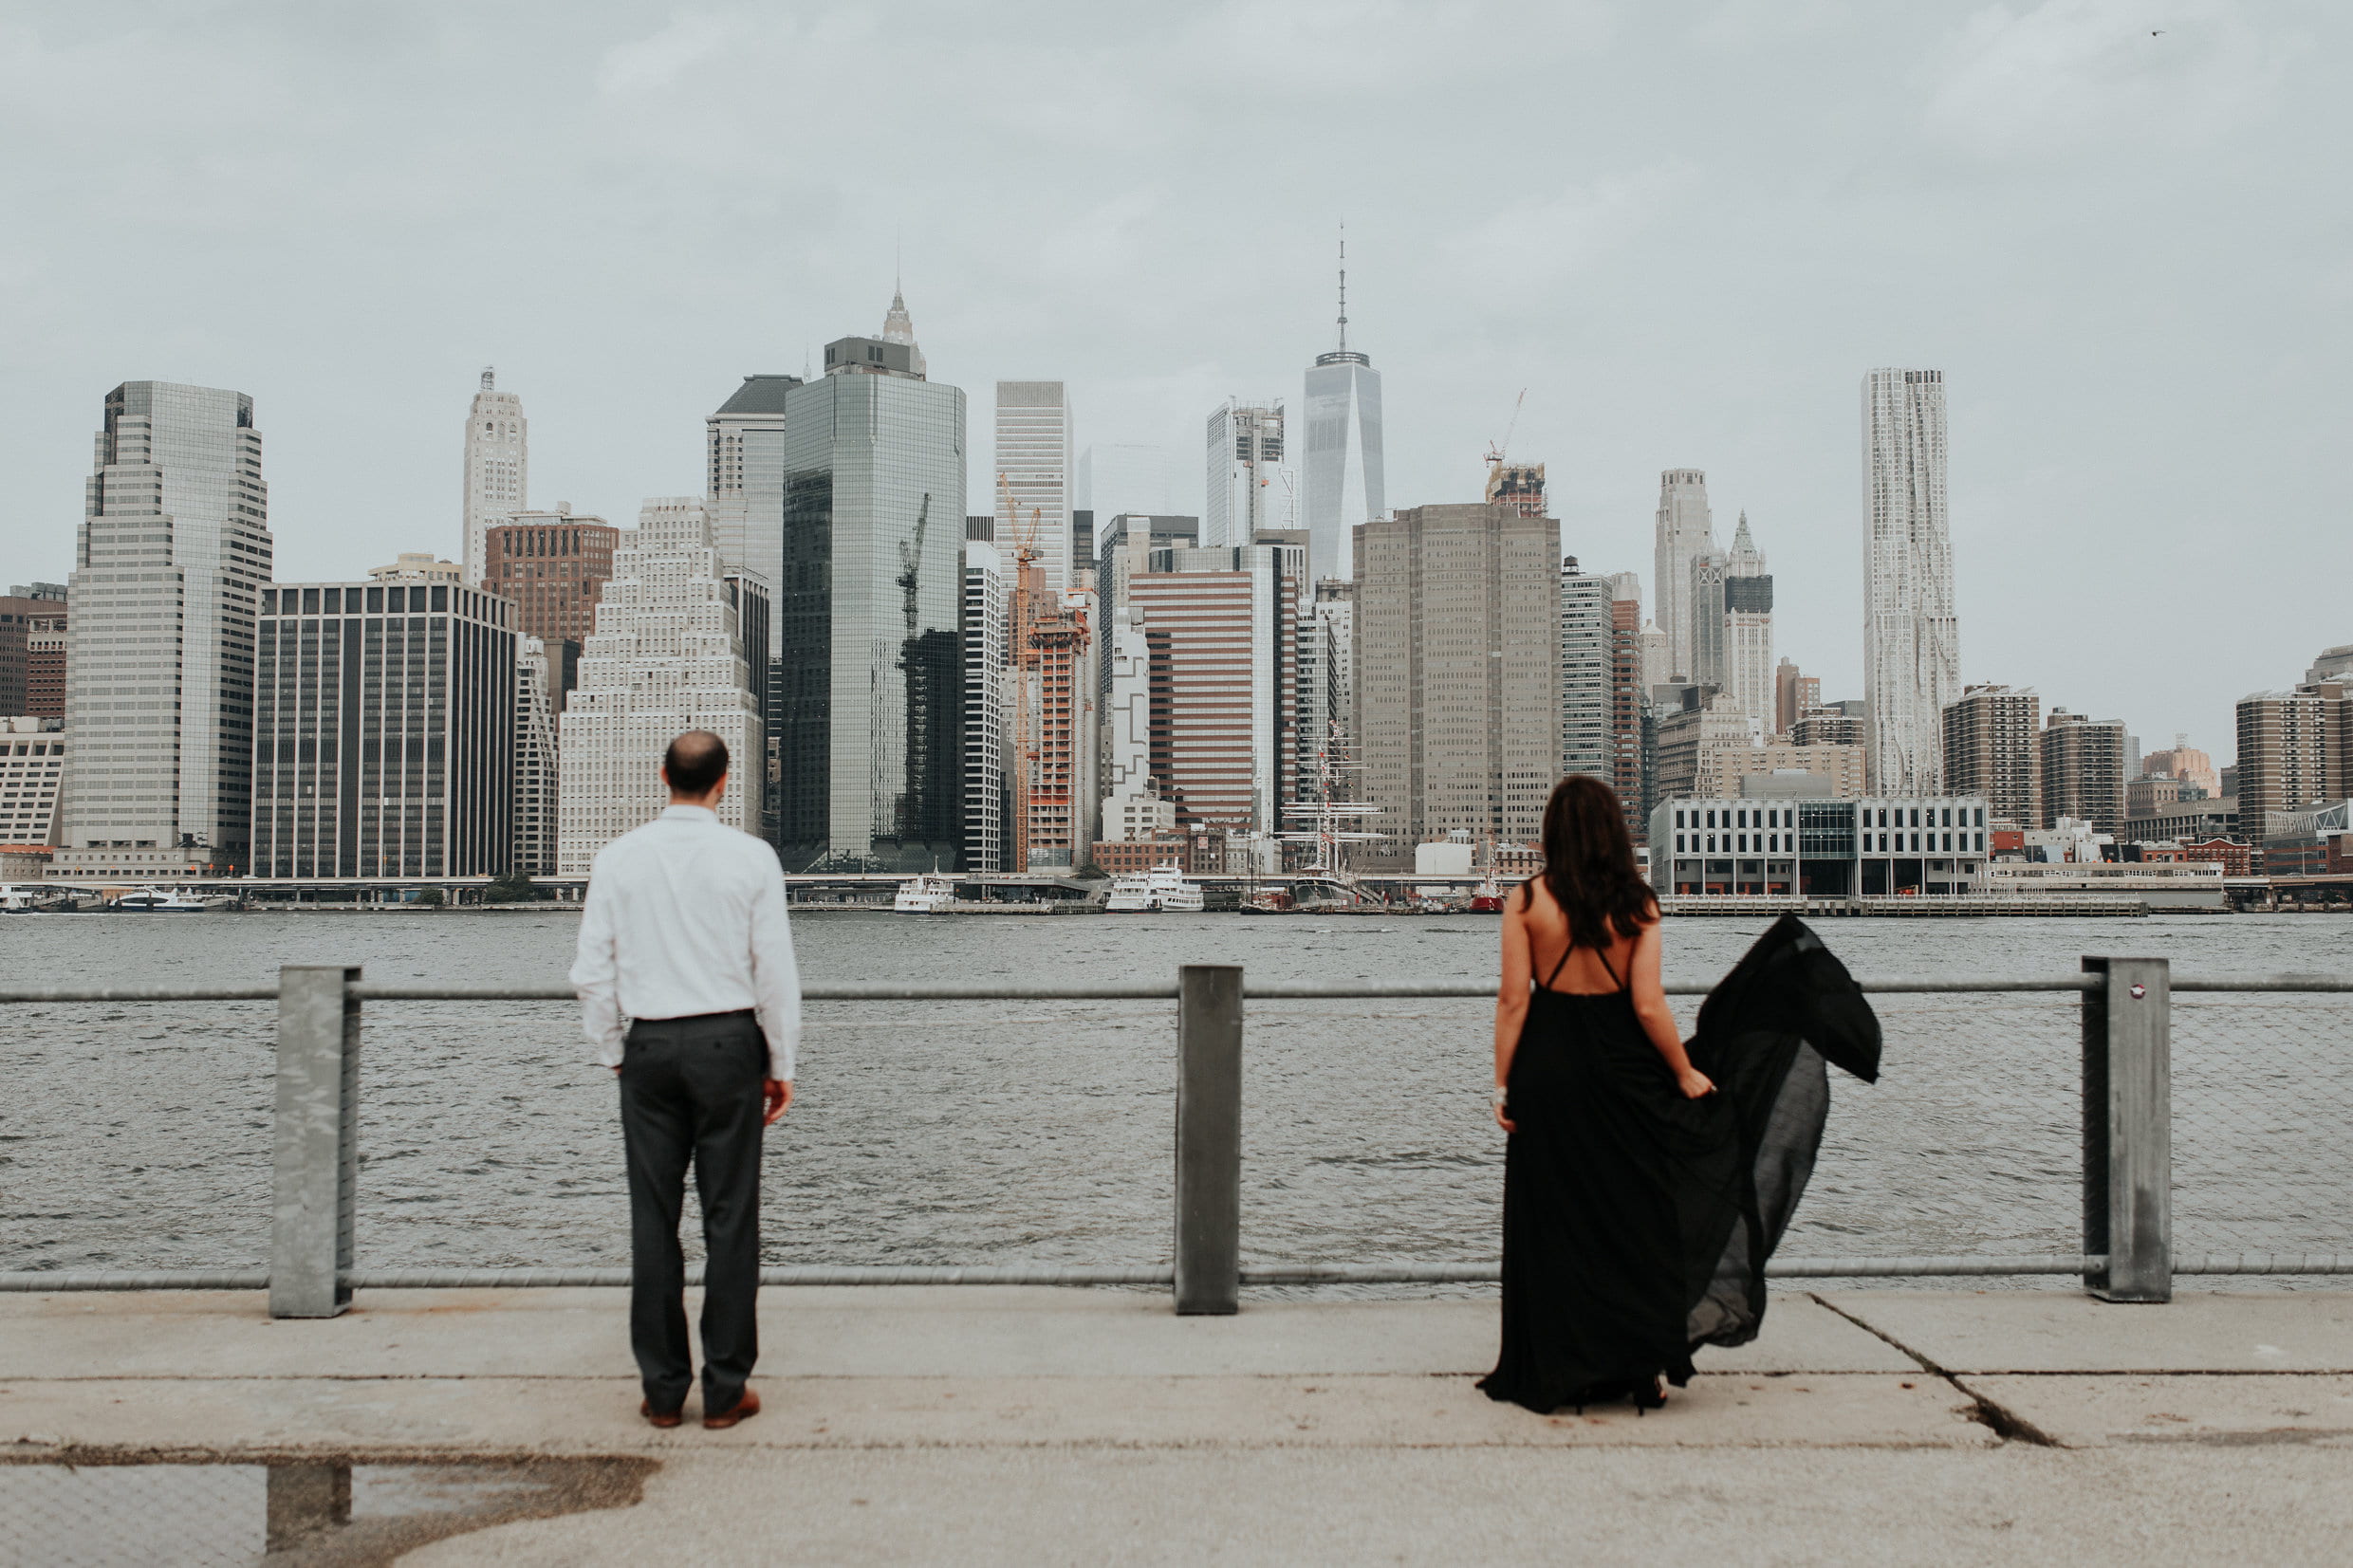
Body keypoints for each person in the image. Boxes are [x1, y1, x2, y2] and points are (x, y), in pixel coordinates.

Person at [1478, 776, 1881, 1415]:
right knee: (1633, 1216)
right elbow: (1647, 1004)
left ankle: (1558, 1362)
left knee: (1552, 1217)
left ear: (1554, 832)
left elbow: (1513, 1001)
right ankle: (1640, 1362)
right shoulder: (1638, 902)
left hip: (1547, 1070)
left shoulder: (1527, 901)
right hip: (1626, 1072)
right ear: (1613, 829)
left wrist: (1503, 1081)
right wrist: (1685, 1072)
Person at [571, 729, 801, 1430]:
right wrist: (781, 1064)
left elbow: (591, 972)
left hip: (647, 1047)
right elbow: (774, 972)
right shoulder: (752, 857)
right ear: (726, 781)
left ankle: (664, 1391)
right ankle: (726, 1391)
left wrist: (617, 1049)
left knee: (653, 1219)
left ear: (662, 774)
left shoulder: (617, 858)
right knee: (731, 1219)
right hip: (729, 1045)